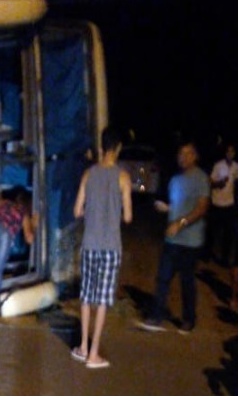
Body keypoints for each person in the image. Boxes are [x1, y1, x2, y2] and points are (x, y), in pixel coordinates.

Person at [71, 127, 133, 369]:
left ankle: (82, 347)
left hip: (89, 244)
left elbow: (77, 211)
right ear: (117, 149)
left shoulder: (88, 174)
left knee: (86, 297)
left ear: (101, 147)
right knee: (103, 301)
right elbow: (128, 217)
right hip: (110, 246)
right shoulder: (123, 177)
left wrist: (92, 211)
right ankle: (93, 353)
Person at [138, 141, 210, 334]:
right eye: (180, 154)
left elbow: (202, 208)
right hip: (172, 240)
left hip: (190, 241)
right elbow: (178, 205)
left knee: (187, 282)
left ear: (195, 156)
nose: (183, 157)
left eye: (187, 154)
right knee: (162, 278)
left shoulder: (201, 178)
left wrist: (181, 223)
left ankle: (189, 319)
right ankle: (157, 316)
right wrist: (167, 209)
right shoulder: (175, 179)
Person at [208, 143, 238, 264]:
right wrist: (219, 184)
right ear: (225, 153)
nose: (230, 154)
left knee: (228, 235)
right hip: (216, 203)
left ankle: (224, 259)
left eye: (232, 151)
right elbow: (210, 183)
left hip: (229, 204)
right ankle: (206, 255)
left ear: (234, 153)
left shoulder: (236, 166)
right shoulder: (218, 165)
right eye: (228, 151)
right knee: (212, 231)